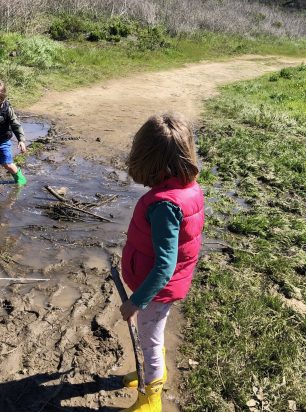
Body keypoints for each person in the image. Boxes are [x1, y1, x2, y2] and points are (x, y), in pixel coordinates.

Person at [119, 113, 204, 412]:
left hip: (156, 291)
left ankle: (151, 398)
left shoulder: (165, 205)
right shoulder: (187, 188)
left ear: (148, 159)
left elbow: (165, 265)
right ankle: (152, 377)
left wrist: (136, 301)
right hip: (163, 287)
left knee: (150, 342)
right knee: (152, 335)